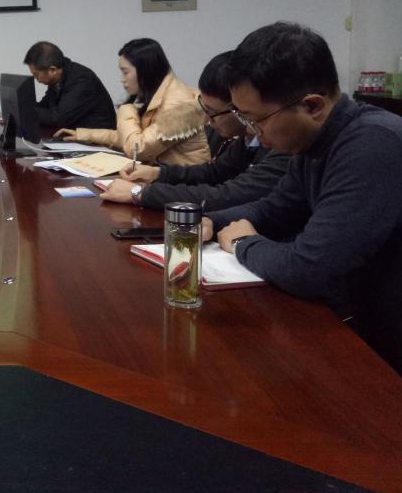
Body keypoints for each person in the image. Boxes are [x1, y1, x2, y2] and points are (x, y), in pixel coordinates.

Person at [203, 22, 402, 374]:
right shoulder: (314, 142)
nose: (253, 134)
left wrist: (243, 243)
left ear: (312, 106)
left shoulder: (372, 145)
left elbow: (309, 269)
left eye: (256, 120)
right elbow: (276, 209)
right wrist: (209, 222)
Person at [101, 51, 291, 209]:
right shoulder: (247, 140)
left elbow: (229, 195)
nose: (207, 120)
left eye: (213, 112)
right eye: (204, 108)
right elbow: (213, 173)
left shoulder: (282, 147)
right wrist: (158, 173)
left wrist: (140, 193)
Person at [57, 38, 209, 165]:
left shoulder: (178, 104)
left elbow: (137, 149)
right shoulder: (157, 93)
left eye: (125, 72)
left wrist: (126, 109)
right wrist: (85, 135)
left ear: (146, 70)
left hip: (182, 182)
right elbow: (129, 137)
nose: (122, 79)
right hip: (161, 174)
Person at [23, 41, 116, 131]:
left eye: (36, 74)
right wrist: (23, 108)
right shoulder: (59, 79)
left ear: (52, 70)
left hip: (96, 139)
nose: (35, 78)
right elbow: (45, 107)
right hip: (75, 135)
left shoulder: (82, 79)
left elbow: (58, 118)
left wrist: (27, 111)